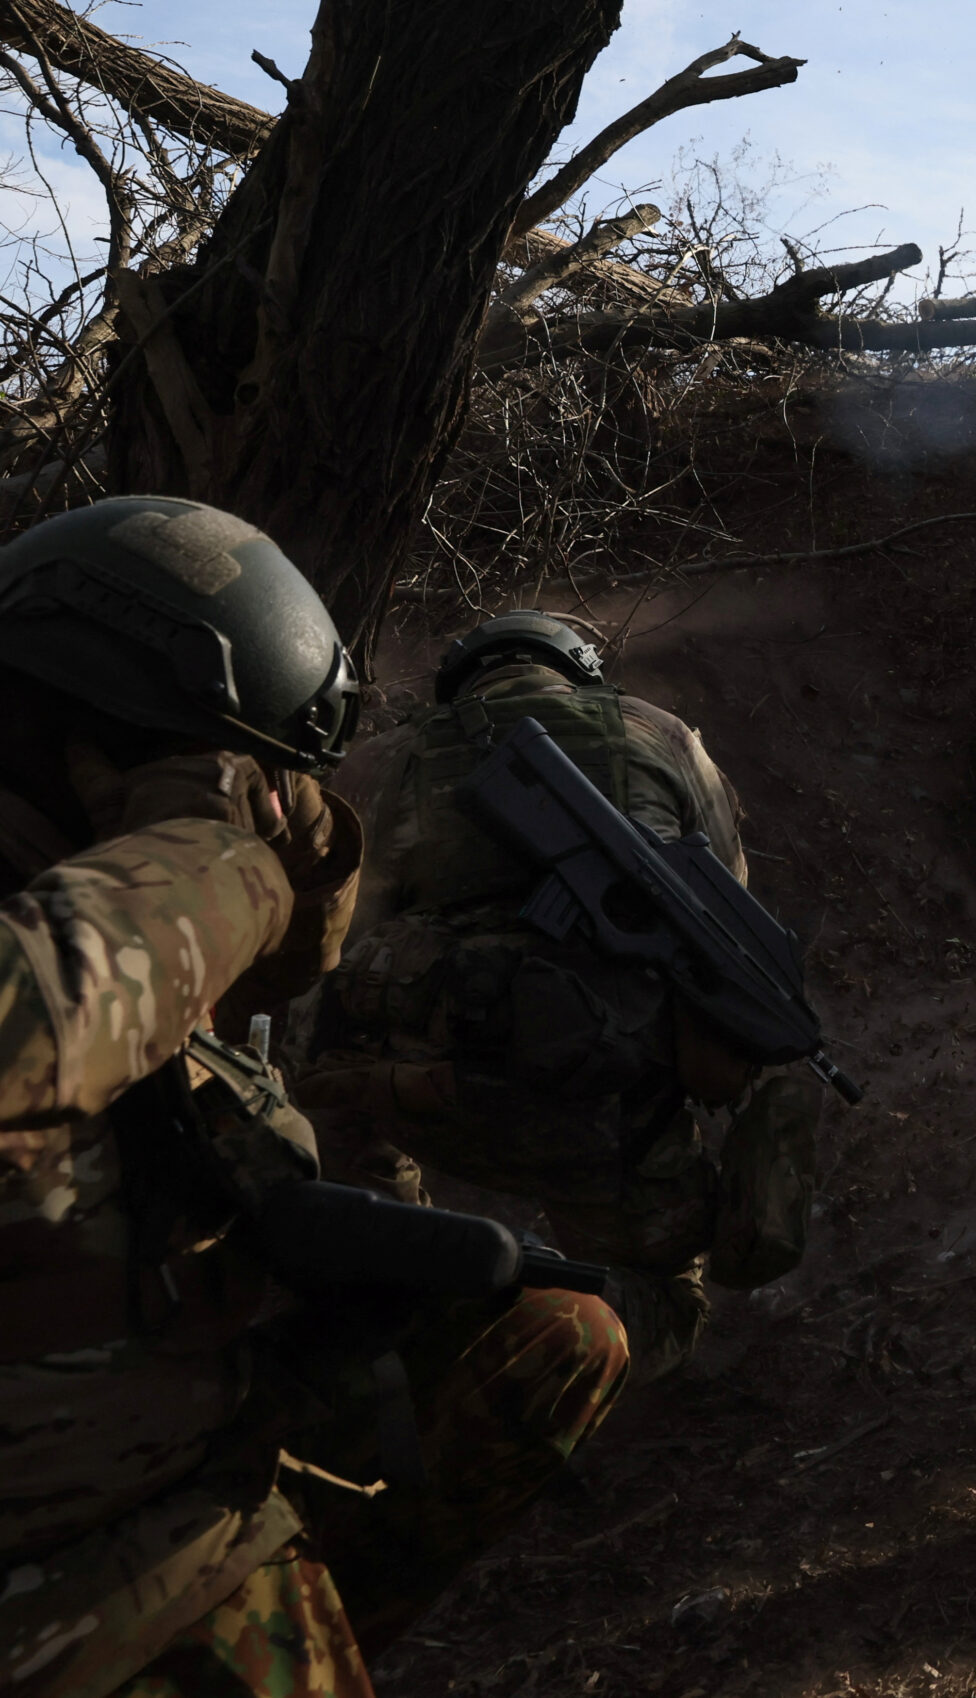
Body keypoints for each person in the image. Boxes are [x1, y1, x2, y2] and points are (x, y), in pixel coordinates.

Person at [0, 498, 627, 1696]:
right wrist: (203, 848)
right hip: (65, 1569)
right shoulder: (105, 914)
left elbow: (290, 958)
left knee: (551, 1338)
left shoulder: (107, 894)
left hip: (186, 1487)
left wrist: (269, 832)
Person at [295, 610, 816, 1388]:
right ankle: (564, 1352)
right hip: (608, 1118)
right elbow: (720, 914)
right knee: (668, 1298)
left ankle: (408, 1274)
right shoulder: (665, 738)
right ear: (580, 671)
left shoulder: (386, 762)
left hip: (430, 1103)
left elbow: (328, 946)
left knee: (327, 1073)